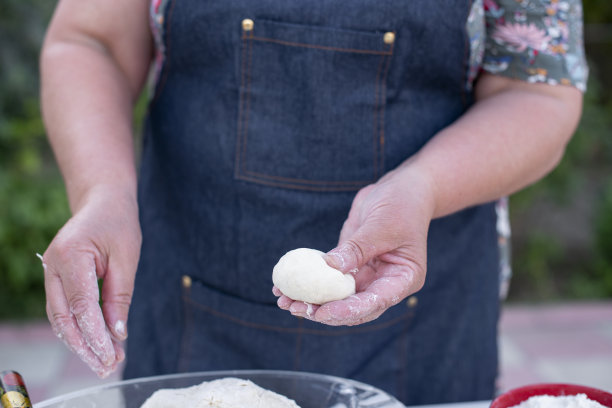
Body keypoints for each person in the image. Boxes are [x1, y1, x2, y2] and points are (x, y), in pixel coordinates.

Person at [39, 0, 587, 404]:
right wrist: (101, 192)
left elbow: (536, 90)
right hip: (192, 292)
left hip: (423, 311)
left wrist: (421, 186)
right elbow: (92, 40)